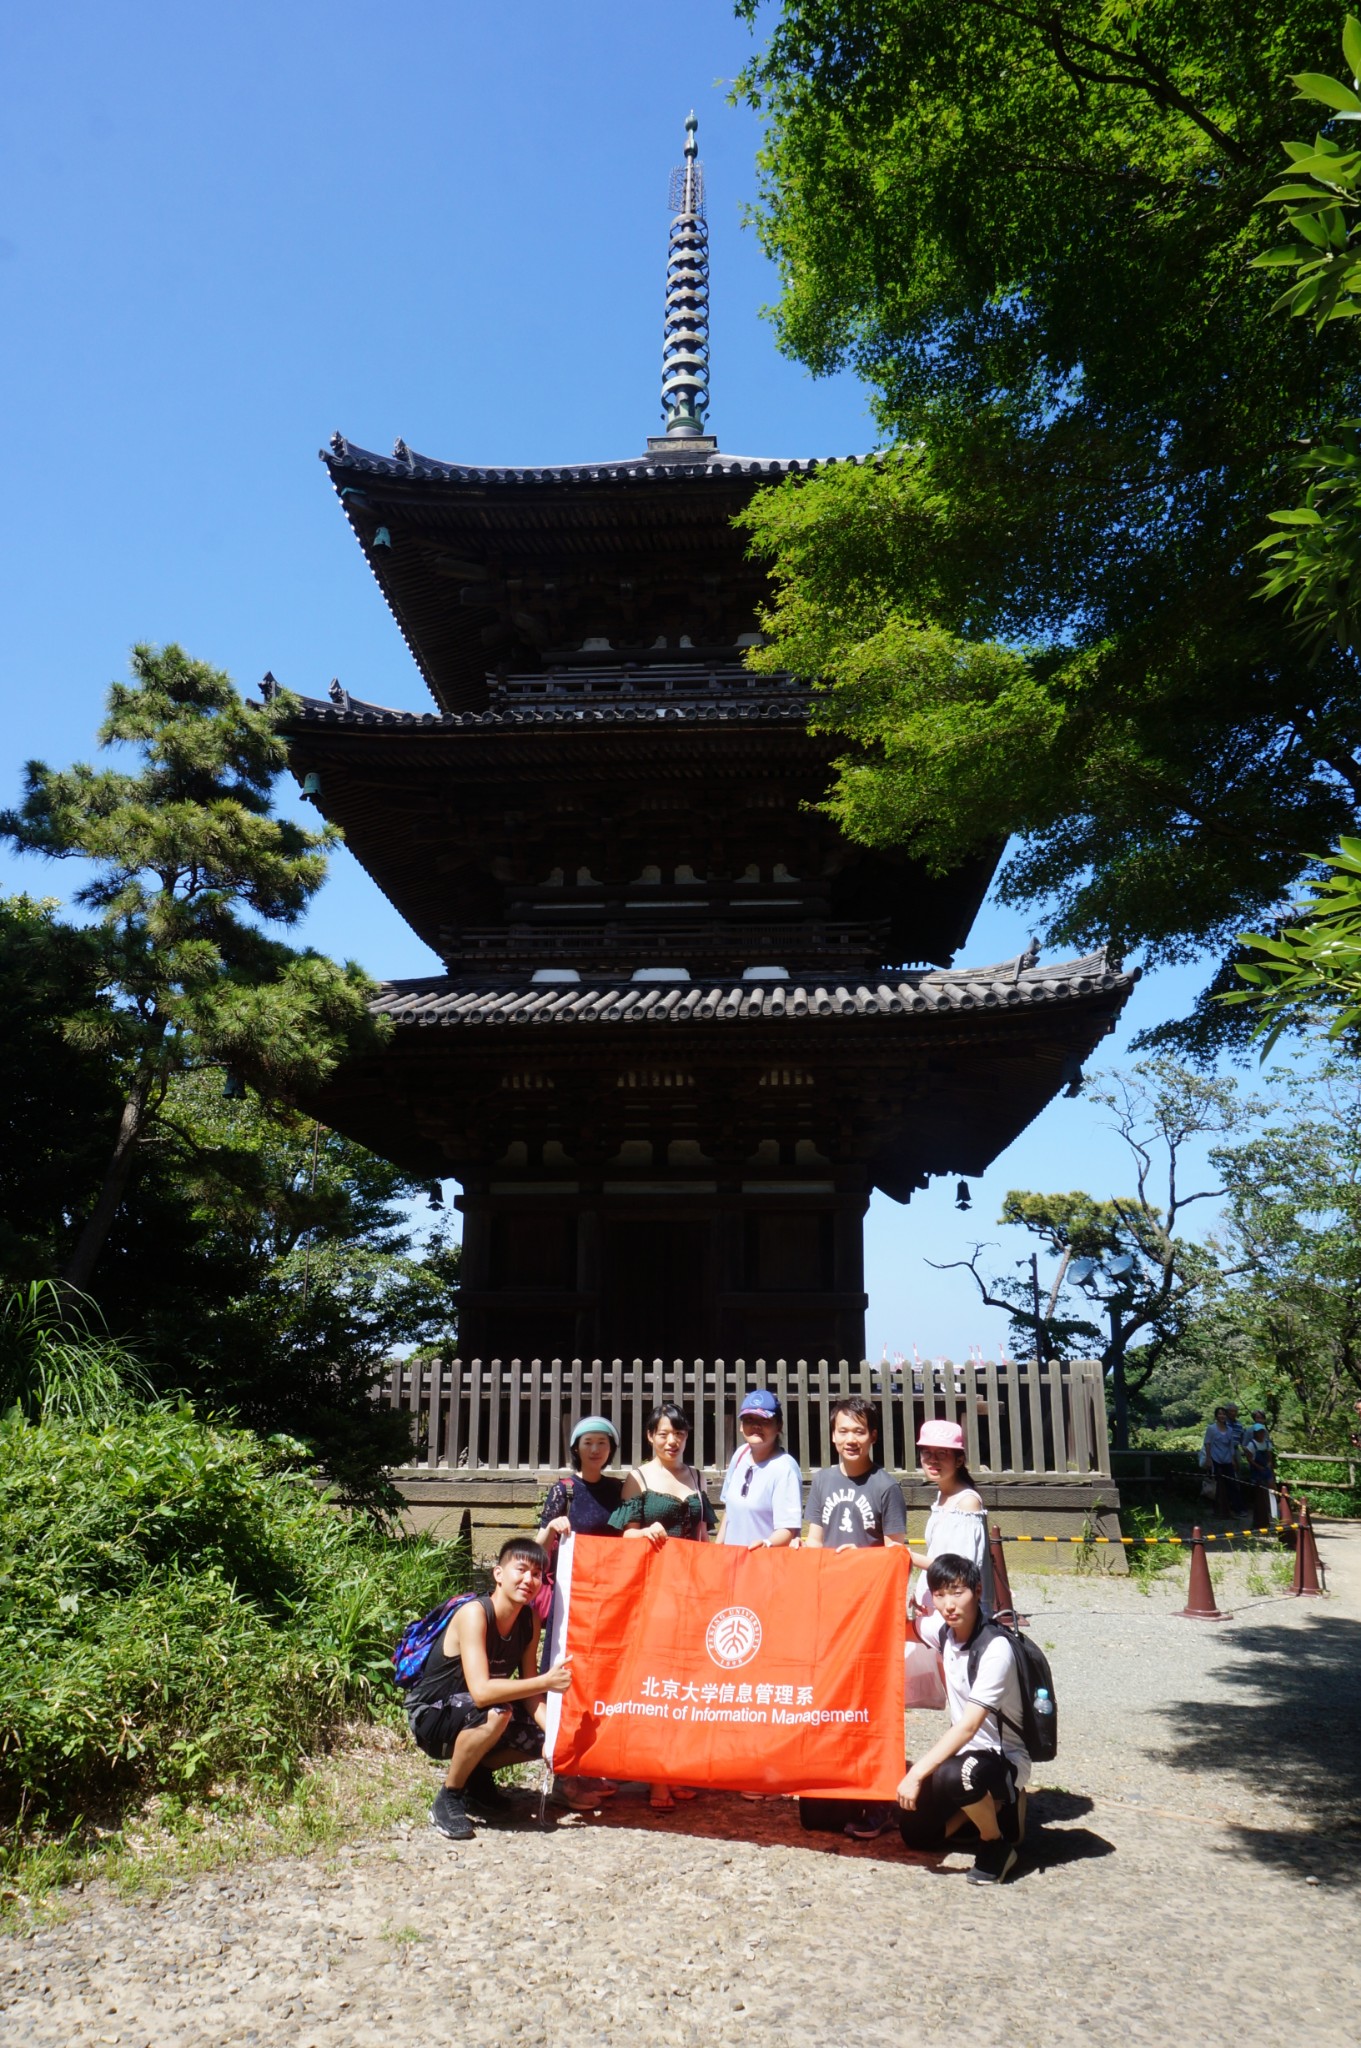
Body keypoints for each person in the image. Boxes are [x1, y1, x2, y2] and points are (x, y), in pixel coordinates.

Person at [408, 1538, 572, 1844]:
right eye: (520, 1569)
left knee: (542, 1734)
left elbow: (529, 1692)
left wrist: (558, 1737)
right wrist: (546, 1682)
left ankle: (477, 1781)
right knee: (497, 1712)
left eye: (537, 1574)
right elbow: (482, 1692)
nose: (529, 1579)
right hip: (432, 1718)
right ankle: (449, 1797)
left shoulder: (529, 1619)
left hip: (474, 1713)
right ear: (498, 1573)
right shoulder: (475, 1613)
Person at [897, 1552, 1031, 1886]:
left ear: (977, 1589)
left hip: (1004, 1758)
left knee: (953, 1775)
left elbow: (969, 1726)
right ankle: (991, 1812)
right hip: (967, 1754)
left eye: (958, 1592)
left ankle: (996, 1842)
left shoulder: (995, 1649)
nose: (948, 1604)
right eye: (940, 1594)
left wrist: (916, 1772)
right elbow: (900, 1629)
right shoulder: (944, 1631)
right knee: (917, 1834)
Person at [609, 1401, 716, 1809]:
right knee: (656, 1679)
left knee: (687, 1680)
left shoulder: (697, 1476)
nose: (673, 1441)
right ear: (651, 1437)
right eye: (664, 1434)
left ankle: (677, 1766)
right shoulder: (638, 1478)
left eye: (680, 1434)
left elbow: (704, 1535)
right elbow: (624, 1537)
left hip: (691, 1589)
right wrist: (647, 1530)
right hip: (653, 1590)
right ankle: (655, 1776)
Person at [535, 1415, 625, 1811]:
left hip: (607, 1601)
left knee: (600, 1679)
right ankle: (565, 1778)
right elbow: (538, 1548)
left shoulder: (618, 1491)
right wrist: (551, 1528)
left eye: (602, 1443)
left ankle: (591, 1764)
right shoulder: (565, 1490)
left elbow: (627, 1538)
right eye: (588, 1442)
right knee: (566, 1678)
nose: (595, 1450)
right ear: (576, 1447)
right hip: (570, 1604)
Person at [906, 1418, 994, 1616]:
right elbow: (938, 1554)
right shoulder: (942, 1495)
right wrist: (922, 1593)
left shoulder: (967, 1503)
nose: (932, 1459)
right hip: (938, 1602)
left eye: (942, 1453)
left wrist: (907, 1556)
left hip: (957, 1612)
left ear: (959, 1460)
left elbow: (959, 1570)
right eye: (927, 1452)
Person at [804, 1396, 907, 1549]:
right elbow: (815, 1540)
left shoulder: (887, 1487)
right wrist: (802, 1547)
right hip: (829, 1571)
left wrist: (858, 1556)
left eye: (859, 1432)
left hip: (869, 1572)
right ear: (833, 1435)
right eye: (843, 1432)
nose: (851, 1440)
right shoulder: (821, 1480)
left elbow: (894, 1552)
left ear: (873, 1436)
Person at [716, 1389, 803, 1549]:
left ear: (779, 1426)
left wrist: (767, 1543)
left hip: (764, 1564)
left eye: (764, 1420)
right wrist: (718, 1547)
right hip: (731, 1562)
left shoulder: (785, 1468)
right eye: (749, 1419)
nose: (756, 1426)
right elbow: (729, 1511)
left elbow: (789, 1528)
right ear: (741, 1426)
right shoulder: (740, 1455)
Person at [1202, 1405, 1241, 1518]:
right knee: (1217, 1485)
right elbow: (1207, 1443)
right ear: (1216, 1416)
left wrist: (1233, 1459)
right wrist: (1208, 1458)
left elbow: (1230, 1445)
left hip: (1227, 1459)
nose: (1222, 1416)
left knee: (1232, 1483)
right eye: (1219, 1414)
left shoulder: (1229, 1430)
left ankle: (1236, 1508)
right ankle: (1217, 1508)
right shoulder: (1211, 1428)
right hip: (1215, 1459)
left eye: (1223, 1414)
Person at [1243, 1423, 1276, 1531]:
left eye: (1262, 1432)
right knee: (1259, 1491)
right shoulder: (1252, 1444)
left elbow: (1269, 1455)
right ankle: (1260, 1511)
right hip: (1257, 1471)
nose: (1261, 1434)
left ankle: (1274, 1510)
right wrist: (1258, 1466)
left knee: (1272, 1488)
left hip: (1266, 1469)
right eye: (1259, 1432)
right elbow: (1249, 1459)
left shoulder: (1267, 1443)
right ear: (1255, 1433)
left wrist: (1269, 1463)